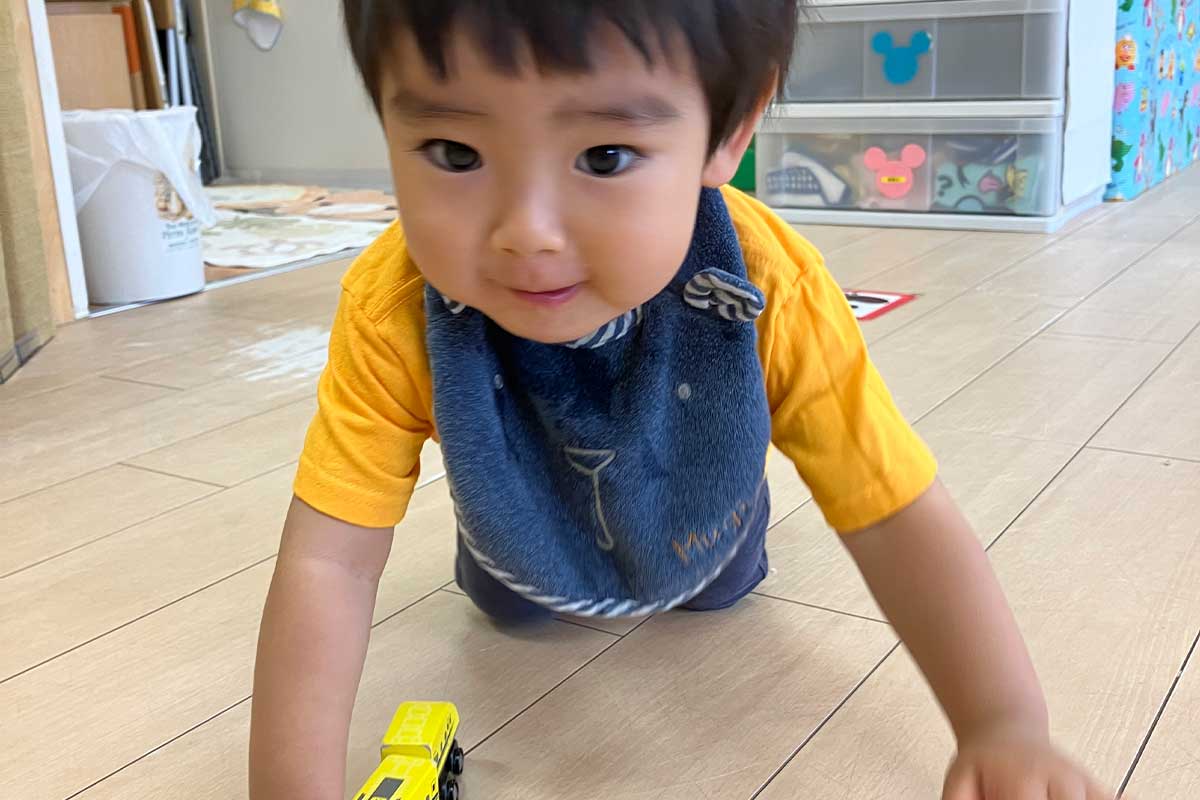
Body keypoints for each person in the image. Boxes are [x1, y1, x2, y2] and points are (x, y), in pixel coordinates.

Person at [249, 3, 1112, 798]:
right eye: (454, 152)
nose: (526, 232)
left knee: (718, 584)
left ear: (727, 130)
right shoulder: (394, 307)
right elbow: (331, 560)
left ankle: (723, 512)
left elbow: (891, 511)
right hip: (520, 496)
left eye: (604, 157)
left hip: (696, 494)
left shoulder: (765, 286)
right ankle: (520, 530)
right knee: (508, 601)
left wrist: (1003, 723)